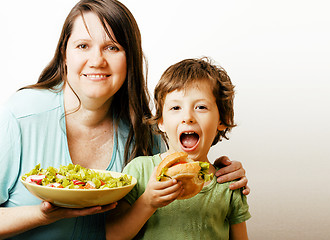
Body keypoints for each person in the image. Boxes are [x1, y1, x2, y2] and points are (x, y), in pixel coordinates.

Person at [0, 0, 249, 239]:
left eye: (112, 47)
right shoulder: (21, 115)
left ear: (130, 59)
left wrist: (218, 174)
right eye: (82, 46)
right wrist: (42, 215)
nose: (97, 61)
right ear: (64, 53)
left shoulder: (145, 135)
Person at [106, 57, 251, 240]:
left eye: (201, 107)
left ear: (222, 120)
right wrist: (147, 202)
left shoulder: (229, 183)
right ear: (161, 122)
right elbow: (112, 236)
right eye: (175, 107)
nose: (187, 117)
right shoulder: (140, 171)